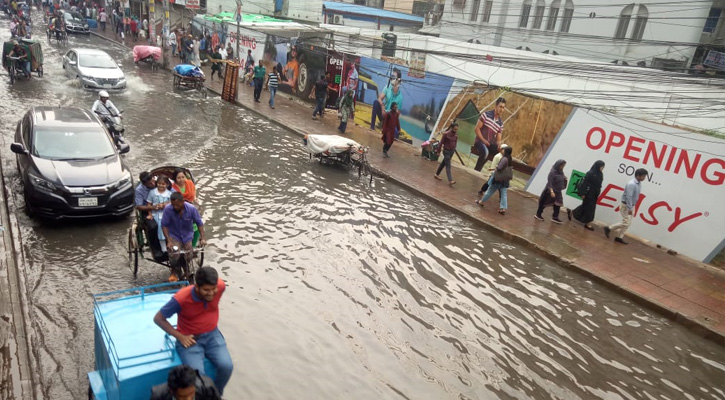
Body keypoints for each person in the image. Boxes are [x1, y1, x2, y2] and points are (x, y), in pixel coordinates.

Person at [153, 267, 232, 395]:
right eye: (206, 290)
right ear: (196, 286)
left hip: (212, 335)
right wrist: (180, 336)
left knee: (227, 366)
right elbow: (158, 318)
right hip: (190, 340)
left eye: (213, 289)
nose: (211, 293)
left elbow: (215, 290)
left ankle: (216, 394)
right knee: (198, 376)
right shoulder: (181, 299)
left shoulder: (221, 286)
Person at [161, 192, 206, 280]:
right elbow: (164, 225)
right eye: (173, 205)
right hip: (174, 235)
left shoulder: (191, 209)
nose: (175, 207)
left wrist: (203, 238)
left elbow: (199, 223)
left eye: (177, 205)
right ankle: (173, 270)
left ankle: (186, 268)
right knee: (174, 254)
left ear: (183, 202)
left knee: (189, 255)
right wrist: (169, 241)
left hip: (187, 235)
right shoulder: (168, 209)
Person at [604, 168, 648, 244]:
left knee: (628, 223)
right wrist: (630, 207)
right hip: (626, 205)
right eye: (643, 176)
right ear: (638, 176)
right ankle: (609, 228)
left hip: (631, 205)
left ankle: (619, 237)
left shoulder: (639, 183)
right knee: (626, 223)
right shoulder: (632, 184)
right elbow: (628, 196)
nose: (644, 178)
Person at [135, 171, 164, 260]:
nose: (152, 184)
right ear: (144, 184)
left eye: (153, 181)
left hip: (163, 208)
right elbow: (139, 206)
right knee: (153, 226)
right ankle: (156, 248)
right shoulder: (139, 190)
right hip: (147, 211)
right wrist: (153, 207)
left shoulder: (159, 183)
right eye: (150, 183)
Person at [476, 146, 513, 214]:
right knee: (504, 194)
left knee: (490, 190)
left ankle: (482, 202)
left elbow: (499, 168)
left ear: (506, 151)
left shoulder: (504, 159)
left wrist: (496, 166)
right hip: (505, 180)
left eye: (504, 150)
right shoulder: (510, 159)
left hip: (498, 179)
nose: (503, 151)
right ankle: (503, 209)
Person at [150, 365, 221, 400]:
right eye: (183, 397)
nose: (189, 399)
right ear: (171, 391)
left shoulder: (207, 388)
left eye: (191, 394)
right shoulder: (158, 396)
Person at [571, 160, 605, 230]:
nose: (602, 168)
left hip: (595, 193)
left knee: (586, 206)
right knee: (591, 208)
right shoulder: (590, 173)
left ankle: (572, 212)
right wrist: (582, 193)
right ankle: (588, 223)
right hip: (589, 193)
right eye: (601, 166)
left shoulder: (600, 174)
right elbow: (584, 183)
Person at [474, 97, 505, 172]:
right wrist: (483, 140)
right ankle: (476, 171)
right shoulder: (486, 115)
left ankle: (493, 175)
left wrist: (499, 145)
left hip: (489, 144)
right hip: (480, 141)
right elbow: (476, 129)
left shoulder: (500, 123)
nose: (501, 109)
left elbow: (498, 139)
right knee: (485, 152)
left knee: (500, 153)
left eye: (503, 108)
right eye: (500, 107)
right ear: (495, 106)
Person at [534, 159, 568, 224]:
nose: (562, 167)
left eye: (563, 166)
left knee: (558, 204)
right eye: (562, 166)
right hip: (550, 191)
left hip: (558, 192)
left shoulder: (561, 172)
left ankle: (555, 217)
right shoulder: (553, 172)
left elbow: (562, 179)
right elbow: (550, 182)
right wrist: (551, 191)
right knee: (544, 203)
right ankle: (538, 214)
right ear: (558, 165)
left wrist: (565, 180)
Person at [146, 175, 173, 254]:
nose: (161, 185)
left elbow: (172, 203)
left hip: (167, 214)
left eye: (163, 184)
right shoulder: (152, 193)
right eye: (159, 183)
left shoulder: (169, 194)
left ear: (167, 184)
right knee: (161, 227)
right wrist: (150, 213)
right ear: (156, 183)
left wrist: (165, 205)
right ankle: (163, 248)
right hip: (156, 214)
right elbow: (149, 204)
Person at [433, 121, 459, 186]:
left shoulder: (456, 135)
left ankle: (436, 174)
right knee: (448, 165)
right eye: (455, 129)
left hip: (451, 151)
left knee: (443, 163)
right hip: (446, 151)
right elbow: (441, 143)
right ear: (451, 128)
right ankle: (450, 180)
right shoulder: (446, 134)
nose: (456, 130)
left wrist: (454, 148)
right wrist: (438, 151)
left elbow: (455, 143)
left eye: (457, 129)